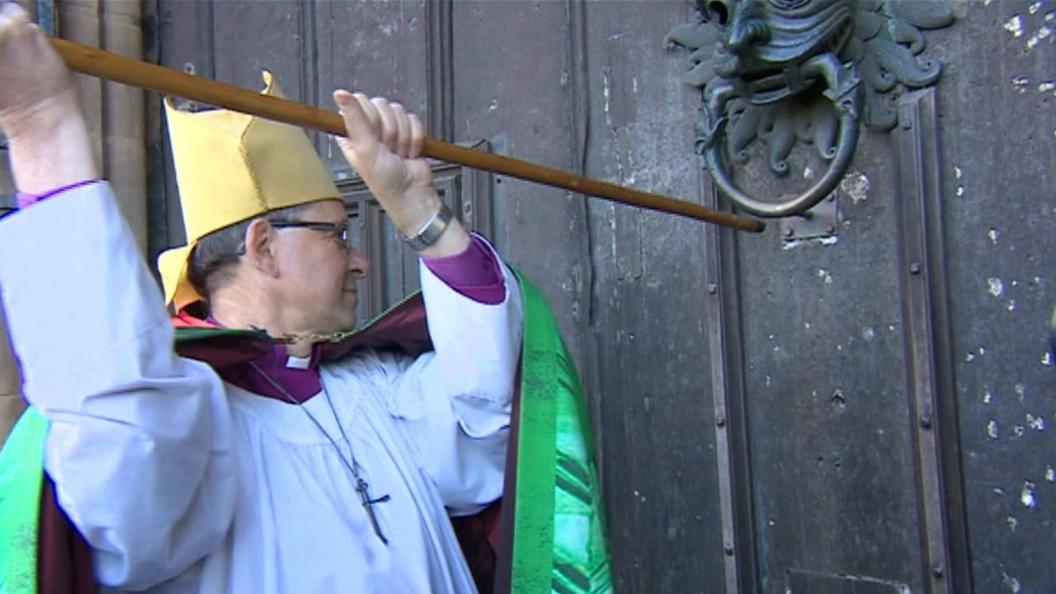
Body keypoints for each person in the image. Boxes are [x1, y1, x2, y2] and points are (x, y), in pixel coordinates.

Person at [0, 2, 523, 592]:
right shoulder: (188, 413)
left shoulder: (378, 388)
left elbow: (490, 415)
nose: (360, 259)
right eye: (338, 233)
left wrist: (421, 211)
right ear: (265, 247)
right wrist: (40, 125)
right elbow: (122, 440)